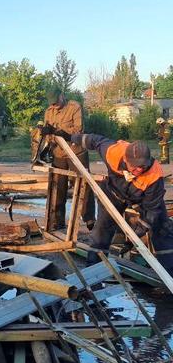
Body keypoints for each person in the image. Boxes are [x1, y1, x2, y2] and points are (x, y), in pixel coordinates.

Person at [62, 132, 172, 268]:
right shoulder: (113, 151)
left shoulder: (155, 176)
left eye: (143, 166)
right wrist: (69, 137)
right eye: (136, 166)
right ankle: (94, 270)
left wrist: (135, 235)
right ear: (126, 159)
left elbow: (152, 210)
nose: (139, 169)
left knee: (162, 228)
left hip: (143, 197)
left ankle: (169, 275)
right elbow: (93, 140)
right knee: (102, 229)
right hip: (114, 192)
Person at [43, 90, 95, 230]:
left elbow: (79, 130)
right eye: (52, 104)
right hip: (58, 154)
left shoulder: (74, 107)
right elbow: (49, 133)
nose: (55, 106)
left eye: (57, 102)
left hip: (76, 153)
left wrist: (64, 133)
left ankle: (89, 219)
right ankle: (58, 221)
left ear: (62, 96)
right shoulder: (49, 111)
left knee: (84, 185)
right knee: (57, 188)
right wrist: (46, 134)